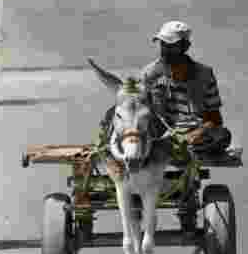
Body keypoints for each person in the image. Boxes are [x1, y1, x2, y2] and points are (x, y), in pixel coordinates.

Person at [99, 20, 231, 156]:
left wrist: (199, 132)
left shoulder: (205, 74)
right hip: (160, 135)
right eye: (163, 44)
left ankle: (185, 150)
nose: (166, 50)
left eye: (172, 45)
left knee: (223, 135)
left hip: (195, 135)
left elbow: (215, 118)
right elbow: (134, 111)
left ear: (185, 46)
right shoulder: (147, 75)